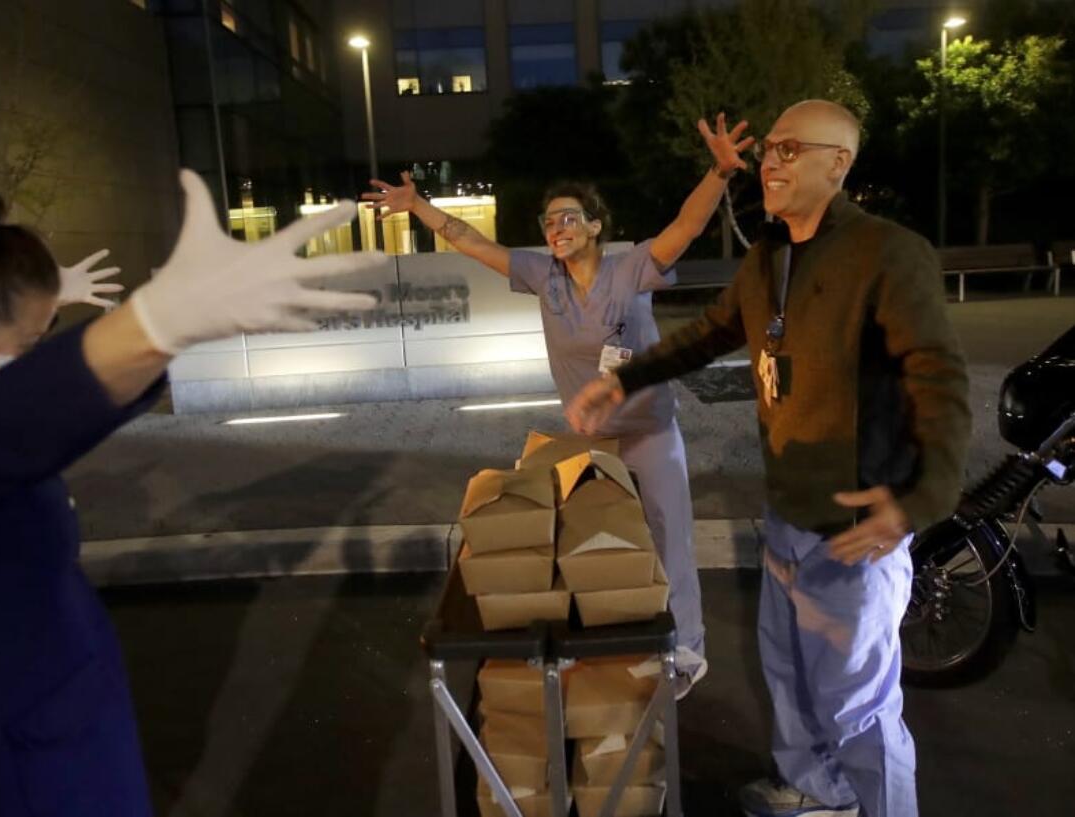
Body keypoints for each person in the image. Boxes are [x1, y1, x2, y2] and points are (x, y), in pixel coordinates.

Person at [0, 166, 379, 816]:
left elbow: (7, 419)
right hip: (2, 781)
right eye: (24, 347)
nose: (25, 366)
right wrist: (153, 322)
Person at [566, 99, 971, 817]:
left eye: (790, 149)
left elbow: (937, 380)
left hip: (856, 527)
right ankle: (816, 793)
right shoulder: (769, 255)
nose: (771, 161)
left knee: (859, 708)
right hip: (787, 514)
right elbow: (708, 334)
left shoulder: (888, 252)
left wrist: (919, 498)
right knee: (787, 675)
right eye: (771, 149)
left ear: (838, 164)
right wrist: (623, 378)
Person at [365, 114, 754, 698]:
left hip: (647, 431)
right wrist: (417, 206)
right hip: (591, 440)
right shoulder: (541, 276)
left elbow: (686, 226)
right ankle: (606, 640)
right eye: (549, 220)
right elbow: (471, 242)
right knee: (590, 542)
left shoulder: (630, 269)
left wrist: (720, 172)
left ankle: (687, 650)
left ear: (595, 226)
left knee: (668, 538)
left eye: (570, 217)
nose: (557, 227)